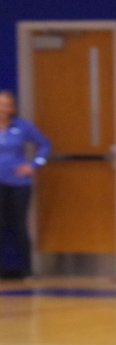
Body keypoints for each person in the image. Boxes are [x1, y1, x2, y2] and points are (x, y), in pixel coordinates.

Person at [0, 90, 51, 280]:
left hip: (18, 183)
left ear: (12, 108)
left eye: (6, 105)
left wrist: (34, 165)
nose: (3, 109)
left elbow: (45, 145)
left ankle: (27, 268)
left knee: (19, 225)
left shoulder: (22, 127)